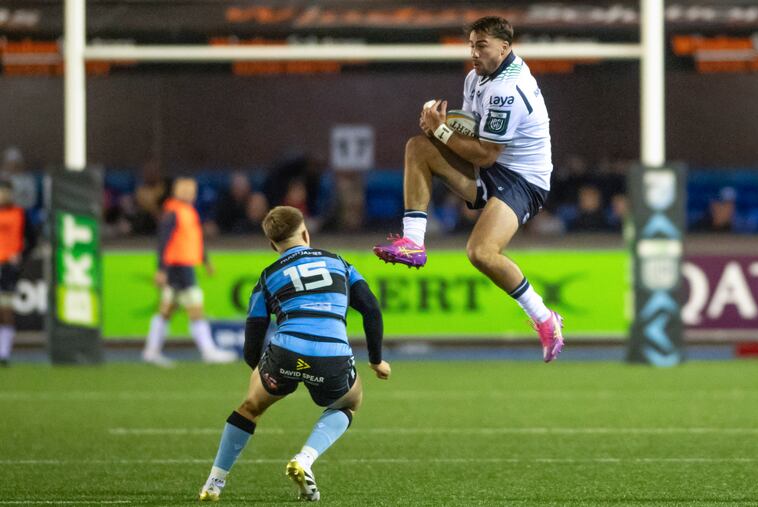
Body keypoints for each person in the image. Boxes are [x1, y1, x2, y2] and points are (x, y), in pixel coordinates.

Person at [373, 16, 564, 362]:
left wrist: (442, 132)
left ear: (504, 47)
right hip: (494, 168)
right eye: (472, 45)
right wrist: (438, 129)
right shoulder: (476, 78)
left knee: (481, 252)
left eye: (482, 45)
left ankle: (544, 317)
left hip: (524, 180)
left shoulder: (508, 90)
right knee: (418, 147)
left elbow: (487, 154)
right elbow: (474, 133)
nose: (474, 53)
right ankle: (414, 242)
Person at [199, 205, 390, 502]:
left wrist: (263, 371)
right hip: (332, 356)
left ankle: (213, 483)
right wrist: (376, 360)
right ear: (305, 232)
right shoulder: (339, 262)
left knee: (250, 407)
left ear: (272, 244)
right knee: (350, 402)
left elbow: (254, 335)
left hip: (284, 353)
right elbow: (371, 308)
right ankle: (304, 459)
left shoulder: (267, 276)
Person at [142, 178, 236, 366]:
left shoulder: (187, 212)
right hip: (179, 266)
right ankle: (208, 350)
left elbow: (194, 240)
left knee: (167, 308)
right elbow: (164, 242)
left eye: (192, 190)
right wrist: (161, 269)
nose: (191, 193)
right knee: (195, 306)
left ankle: (151, 351)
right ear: (179, 191)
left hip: (184, 264)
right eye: (187, 190)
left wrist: (205, 260)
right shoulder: (173, 213)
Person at [0, 179, 35, 366]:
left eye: (5, 192)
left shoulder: (19, 213)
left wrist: (21, 255)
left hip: (7, 267)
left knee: (5, 310)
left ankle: (4, 353)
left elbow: (32, 239)